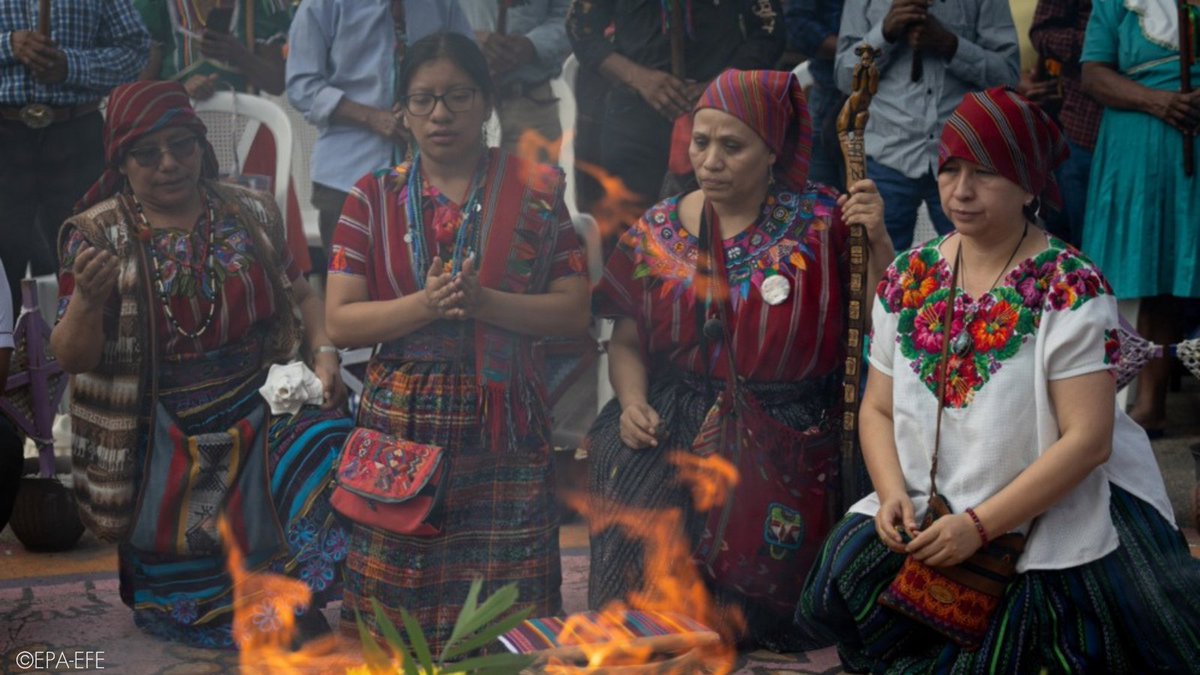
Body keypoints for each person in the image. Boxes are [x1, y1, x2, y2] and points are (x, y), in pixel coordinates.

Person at [798, 87, 1200, 672]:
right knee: (844, 571)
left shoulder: (1069, 286)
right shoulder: (910, 276)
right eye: (950, 170)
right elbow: (878, 409)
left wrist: (979, 527)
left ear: (1030, 185)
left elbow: (1088, 441)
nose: (960, 192)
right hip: (932, 509)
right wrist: (889, 495)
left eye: (985, 174)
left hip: (1041, 516)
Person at [585, 69, 893, 652]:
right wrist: (631, 404)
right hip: (676, 411)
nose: (711, 160)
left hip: (789, 423)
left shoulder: (825, 221)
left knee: (752, 614)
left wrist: (877, 240)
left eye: (733, 145)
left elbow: (887, 314)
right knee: (620, 463)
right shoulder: (655, 229)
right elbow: (625, 340)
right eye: (701, 142)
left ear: (772, 151)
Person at [50, 81, 352, 648]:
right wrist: (87, 303)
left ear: (201, 145)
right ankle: (224, 605)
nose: (169, 164)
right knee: (193, 597)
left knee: (332, 439)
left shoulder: (250, 211)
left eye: (182, 146)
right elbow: (73, 357)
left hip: (261, 403)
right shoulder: (97, 234)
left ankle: (290, 593)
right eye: (147, 153)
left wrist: (325, 354)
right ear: (121, 159)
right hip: (162, 429)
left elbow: (305, 295)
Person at [324, 32, 590, 650]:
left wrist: (484, 304)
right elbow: (340, 322)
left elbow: (575, 313)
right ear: (403, 111)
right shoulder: (374, 196)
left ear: (487, 102)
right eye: (422, 100)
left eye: (457, 96)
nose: (440, 114)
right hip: (403, 421)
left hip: (503, 418)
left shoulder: (539, 188)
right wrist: (426, 306)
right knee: (395, 620)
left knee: (506, 620)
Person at [1080, 0, 1200, 437]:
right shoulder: (1117, 3)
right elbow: (1093, 73)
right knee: (1152, 271)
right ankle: (1149, 405)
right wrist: (1159, 101)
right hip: (1140, 146)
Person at [135, 0, 313, 273]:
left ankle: (267, 298)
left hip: (250, 137)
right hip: (176, 147)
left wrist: (238, 53)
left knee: (261, 241)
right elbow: (141, 89)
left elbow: (276, 81)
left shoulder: (258, 6)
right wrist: (180, 89)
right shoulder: (156, 6)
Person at [286, 0, 473, 257]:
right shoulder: (322, 5)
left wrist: (428, 108)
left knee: (435, 276)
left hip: (436, 173)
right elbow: (301, 84)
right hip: (347, 175)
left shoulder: (443, 5)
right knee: (350, 283)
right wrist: (370, 117)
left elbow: (469, 68)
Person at [566, 0, 786, 218]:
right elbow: (580, 31)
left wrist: (722, 85)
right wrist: (639, 79)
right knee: (630, 231)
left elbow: (769, 31)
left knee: (719, 228)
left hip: (722, 117)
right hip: (634, 120)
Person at [0, 0, 149, 314]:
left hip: (75, 136)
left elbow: (136, 51)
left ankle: (88, 358)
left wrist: (70, 65)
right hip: (5, 134)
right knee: (1, 261)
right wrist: (8, 45)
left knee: (90, 257)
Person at [835, 0, 1020, 251]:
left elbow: (1008, 76)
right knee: (877, 265)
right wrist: (884, 34)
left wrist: (950, 45)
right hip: (887, 157)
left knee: (976, 265)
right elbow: (845, 78)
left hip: (964, 159)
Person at [1030, 0, 1103, 248]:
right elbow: (1043, 32)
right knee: (1079, 255)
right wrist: (1100, 40)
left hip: (1162, 130)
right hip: (1087, 133)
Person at [460, 0, 572, 159]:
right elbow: (428, 21)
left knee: (535, 183)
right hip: (463, 106)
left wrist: (533, 45)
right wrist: (469, 41)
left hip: (530, 105)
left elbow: (571, 17)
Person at [786, 0, 846, 191]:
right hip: (828, 95)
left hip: (889, 105)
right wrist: (858, 52)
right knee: (818, 206)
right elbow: (798, 26)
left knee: (870, 207)